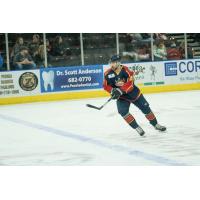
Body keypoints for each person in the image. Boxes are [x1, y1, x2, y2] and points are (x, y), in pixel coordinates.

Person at [103, 55, 166, 136]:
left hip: (134, 94)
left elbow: (130, 84)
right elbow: (105, 86)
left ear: (118, 63)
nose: (111, 65)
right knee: (122, 112)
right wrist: (112, 90)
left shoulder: (126, 70)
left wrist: (120, 90)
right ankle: (137, 127)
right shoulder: (107, 73)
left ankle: (156, 125)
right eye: (110, 63)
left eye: (113, 63)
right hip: (122, 98)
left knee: (146, 108)